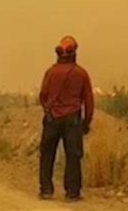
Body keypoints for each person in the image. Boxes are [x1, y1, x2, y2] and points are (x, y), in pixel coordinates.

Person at [38, 36, 94, 201]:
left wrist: (50, 109)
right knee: (73, 156)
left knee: (47, 153)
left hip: (52, 118)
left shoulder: (50, 72)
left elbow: (42, 96)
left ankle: (46, 190)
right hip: (73, 119)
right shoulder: (81, 73)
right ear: (74, 53)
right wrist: (86, 122)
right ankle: (72, 192)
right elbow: (89, 101)